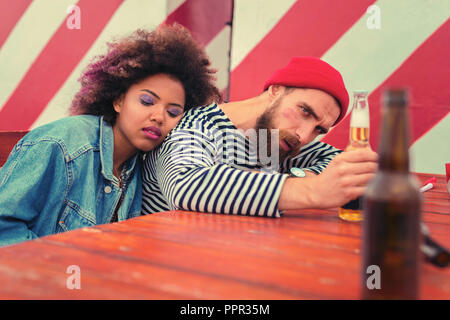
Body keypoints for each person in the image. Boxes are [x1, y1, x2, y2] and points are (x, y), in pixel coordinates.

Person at [0, 24, 221, 246]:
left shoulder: (137, 169)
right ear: (118, 100)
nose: (159, 116)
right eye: (147, 101)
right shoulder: (61, 145)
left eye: (173, 112)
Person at [141, 56, 378, 217]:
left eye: (319, 129)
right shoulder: (195, 127)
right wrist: (312, 190)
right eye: (304, 111)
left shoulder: (271, 138)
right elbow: (186, 184)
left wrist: (302, 175)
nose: (305, 135)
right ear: (275, 91)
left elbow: (337, 159)